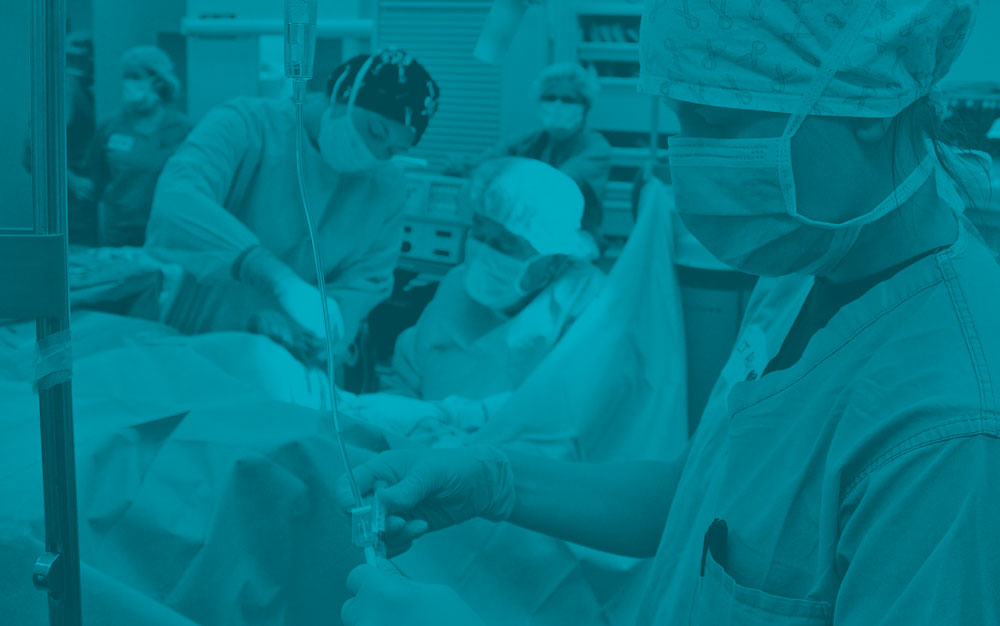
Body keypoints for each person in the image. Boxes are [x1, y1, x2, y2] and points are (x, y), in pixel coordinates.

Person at [335, 1, 1000, 624]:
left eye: (715, 125)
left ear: (869, 104)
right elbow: (702, 493)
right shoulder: (802, 273)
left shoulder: (946, 433)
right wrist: (493, 481)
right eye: (681, 121)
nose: (686, 163)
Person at [145, 49, 440, 360]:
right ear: (341, 95)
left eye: (393, 150)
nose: (376, 153)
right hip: (202, 331)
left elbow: (368, 278)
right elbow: (178, 200)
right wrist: (265, 270)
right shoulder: (246, 124)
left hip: (291, 356)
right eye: (375, 132)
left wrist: (328, 324)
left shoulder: (386, 184)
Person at [349, 158, 606, 436]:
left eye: (503, 244)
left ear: (553, 258)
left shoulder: (588, 304)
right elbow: (409, 373)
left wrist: (456, 417)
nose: (484, 253)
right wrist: (403, 423)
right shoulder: (458, 285)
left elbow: (564, 406)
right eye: (479, 234)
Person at [444, 62, 612, 203]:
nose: (557, 105)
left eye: (567, 99)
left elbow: (557, 186)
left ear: (586, 106)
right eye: (550, 97)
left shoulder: (595, 149)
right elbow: (480, 165)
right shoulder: (527, 141)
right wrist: (463, 166)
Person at [85, 46, 191, 248]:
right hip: (119, 233)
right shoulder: (110, 127)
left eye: (136, 76)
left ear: (159, 81)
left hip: (166, 231)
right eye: (126, 76)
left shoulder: (183, 129)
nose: (129, 83)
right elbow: (97, 179)